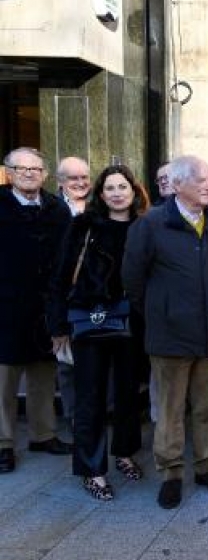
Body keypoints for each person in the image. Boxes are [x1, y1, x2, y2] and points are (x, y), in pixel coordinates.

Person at [122, 154, 208, 509]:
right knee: (170, 411)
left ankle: (207, 466)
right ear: (178, 184)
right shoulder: (151, 224)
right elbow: (133, 280)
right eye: (200, 179)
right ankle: (171, 473)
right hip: (170, 338)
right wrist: (163, 313)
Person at [48, 165, 149, 500]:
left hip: (133, 323)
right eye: (110, 188)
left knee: (127, 394)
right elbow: (61, 275)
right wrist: (58, 326)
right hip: (91, 321)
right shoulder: (84, 226)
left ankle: (124, 452)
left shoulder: (145, 227)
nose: (117, 193)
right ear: (100, 194)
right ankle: (92, 469)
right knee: (89, 398)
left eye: (123, 187)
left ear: (134, 192)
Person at [0, 147, 73, 474]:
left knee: (44, 375)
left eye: (36, 169)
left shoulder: (57, 210)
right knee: (3, 381)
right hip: (6, 305)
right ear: (9, 172)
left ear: (45, 175)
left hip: (46, 306)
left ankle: (44, 434)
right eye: (22, 168)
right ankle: (3, 444)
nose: (29, 174)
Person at [54, 156, 91, 430]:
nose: (79, 183)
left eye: (83, 177)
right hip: (64, 296)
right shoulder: (51, 210)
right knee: (67, 361)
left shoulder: (99, 208)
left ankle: (99, 412)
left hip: (96, 296)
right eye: (72, 178)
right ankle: (75, 417)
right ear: (60, 182)